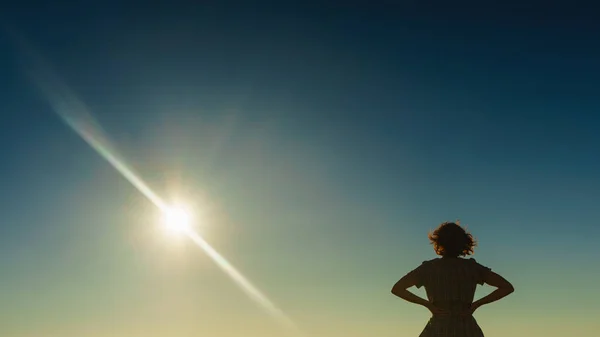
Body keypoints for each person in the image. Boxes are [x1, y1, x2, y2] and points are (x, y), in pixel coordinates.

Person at [391, 221, 514, 337]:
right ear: (463, 243)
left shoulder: (429, 268)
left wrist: (428, 305)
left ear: (439, 242)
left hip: (438, 328)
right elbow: (506, 287)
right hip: (466, 328)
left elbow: (397, 289)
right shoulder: (472, 268)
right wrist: (476, 305)